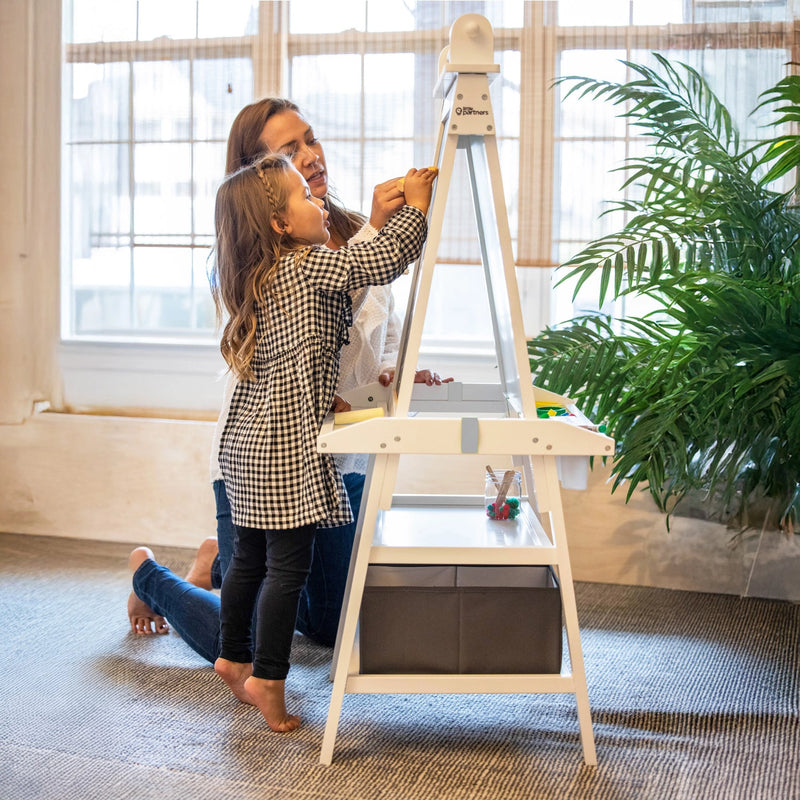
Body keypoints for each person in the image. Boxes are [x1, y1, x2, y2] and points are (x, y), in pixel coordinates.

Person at [128, 98, 451, 651]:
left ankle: (226, 565)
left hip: (335, 455)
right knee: (248, 643)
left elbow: (382, 324)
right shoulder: (249, 267)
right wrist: (376, 235)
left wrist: (396, 369)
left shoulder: (343, 229)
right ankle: (151, 578)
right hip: (266, 462)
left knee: (329, 625)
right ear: (261, 179)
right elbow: (310, 348)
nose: (311, 156)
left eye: (311, 138)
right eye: (289, 150)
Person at [209, 152, 436, 730]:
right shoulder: (308, 265)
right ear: (282, 225)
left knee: (249, 559)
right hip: (284, 448)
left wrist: (318, 396)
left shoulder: (265, 276)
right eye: (304, 199)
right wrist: (414, 206)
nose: (318, 203)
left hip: (248, 441)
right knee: (290, 567)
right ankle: (267, 676)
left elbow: (294, 356)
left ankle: (232, 655)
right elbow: (381, 259)